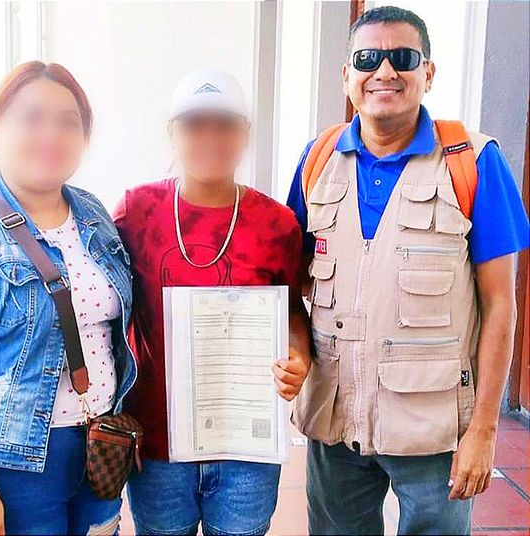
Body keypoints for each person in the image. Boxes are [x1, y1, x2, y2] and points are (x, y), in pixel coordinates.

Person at [286, 6, 530, 536]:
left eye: (402, 57)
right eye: (367, 59)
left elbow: (500, 306)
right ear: (346, 76)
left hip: (435, 429)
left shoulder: (473, 162)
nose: (385, 71)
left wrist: (484, 429)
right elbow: (291, 281)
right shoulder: (317, 161)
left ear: (428, 72)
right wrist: (299, 348)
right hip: (335, 420)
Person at [0, 61, 136, 535]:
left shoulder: (92, 212)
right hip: (6, 464)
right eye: (31, 117)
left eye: (67, 122)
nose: (51, 135)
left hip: (97, 449)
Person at [113, 68, 312, 535]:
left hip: (247, 444)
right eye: (194, 125)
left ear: (245, 133)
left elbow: (291, 309)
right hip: (159, 442)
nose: (210, 138)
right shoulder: (136, 211)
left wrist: (299, 357)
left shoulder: (277, 224)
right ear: (172, 132)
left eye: (225, 125)